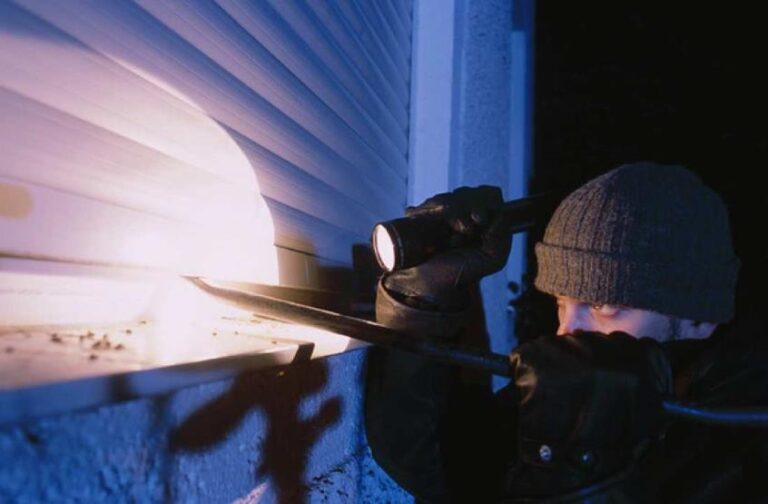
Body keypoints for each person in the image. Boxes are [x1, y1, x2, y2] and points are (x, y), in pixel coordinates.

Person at [365, 162, 768, 502]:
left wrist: (578, 468)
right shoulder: (581, 383)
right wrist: (424, 302)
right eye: (561, 304)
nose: (566, 331)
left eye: (603, 307)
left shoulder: (745, 440)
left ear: (700, 319)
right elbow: (441, 468)